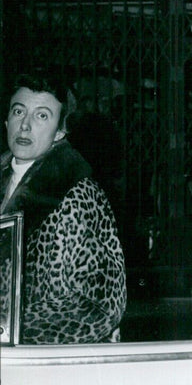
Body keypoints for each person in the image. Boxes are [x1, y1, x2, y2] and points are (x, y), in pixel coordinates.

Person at [0, 72, 127, 344]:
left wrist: (12, 330)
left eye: (41, 116)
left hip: (49, 365)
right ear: (6, 119)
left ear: (60, 131)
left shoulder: (78, 195)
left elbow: (100, 306)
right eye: (19, 111)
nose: (25, 126)